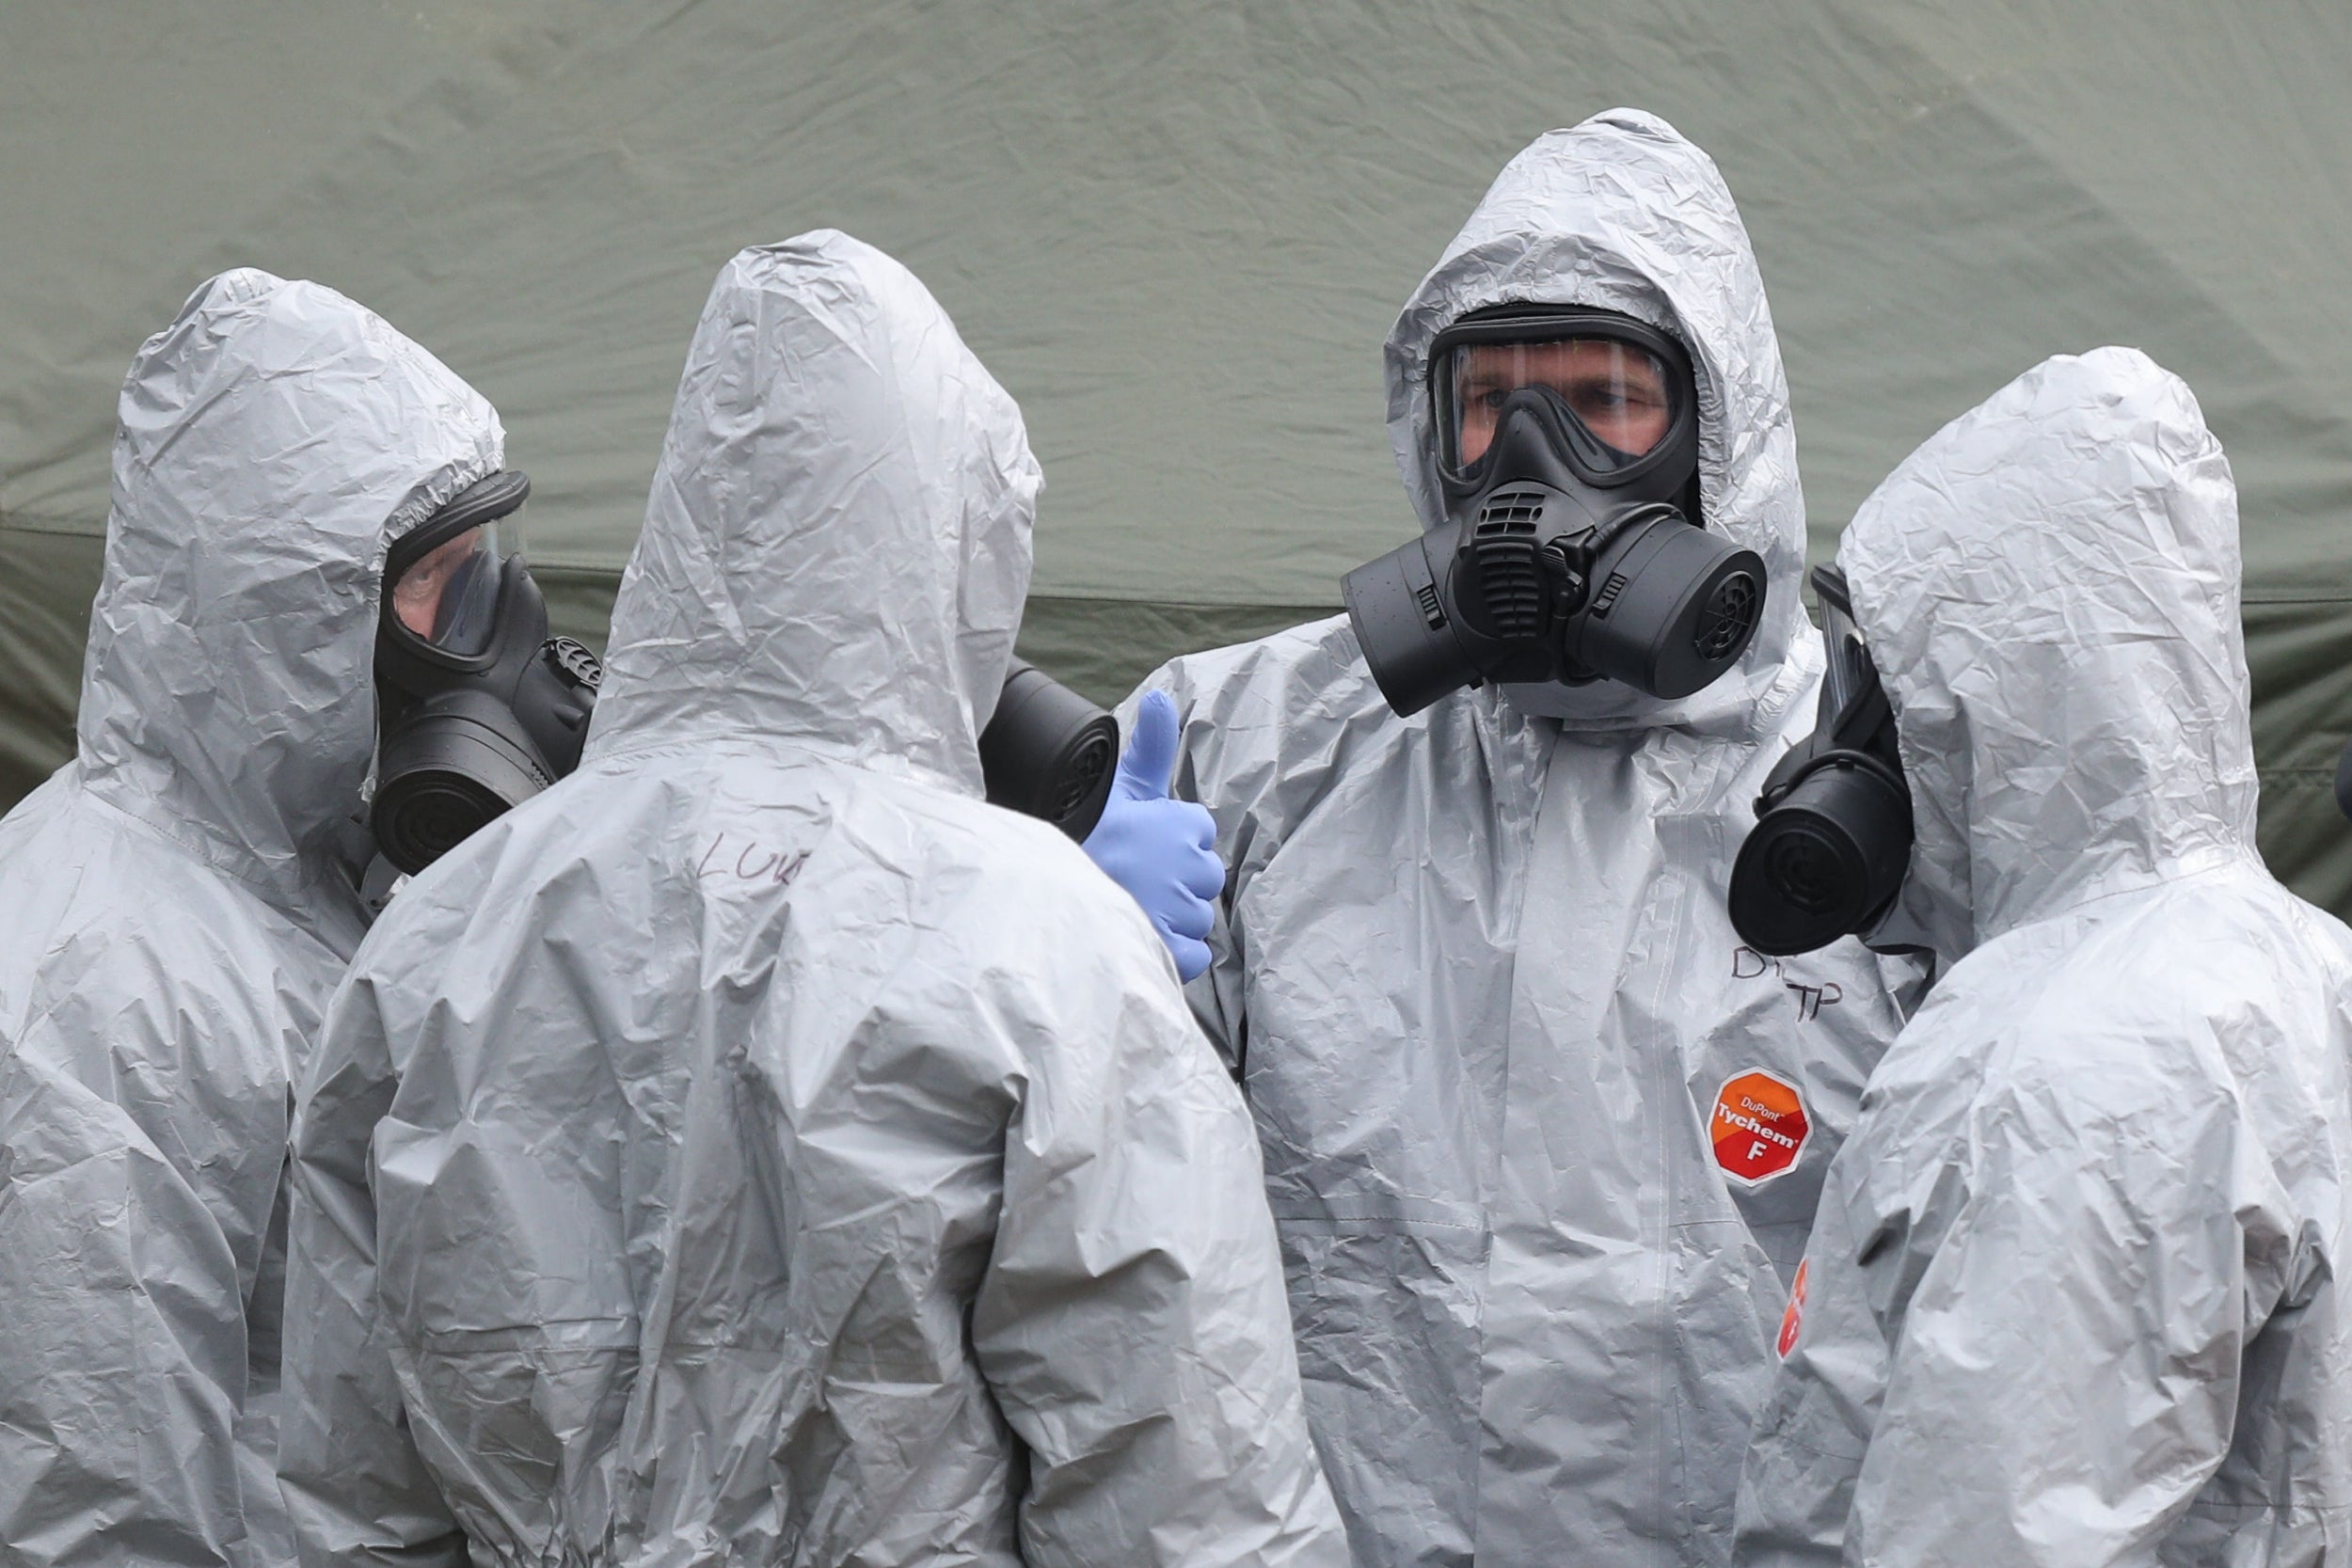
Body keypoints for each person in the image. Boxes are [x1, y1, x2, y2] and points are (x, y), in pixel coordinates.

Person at [278, 231, 1347, 1568]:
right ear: (959, 540)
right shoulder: (1044, 940)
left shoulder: (432, 935)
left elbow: (352, 1492)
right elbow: (1183, 1487)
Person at [1119, 108, 1919, 1565]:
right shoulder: (1253, 745)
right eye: (1488, 403)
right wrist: (1070, 943)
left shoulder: (1869, 783)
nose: (1529, 460)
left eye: (1608, 396)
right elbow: (1085, 1205)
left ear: (1717, 428)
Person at [1732, 348, 2352, 1567]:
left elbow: (1988, 1532)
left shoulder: (2078, 1058)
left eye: (1874, 674)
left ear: (1975, 681)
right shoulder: (2302, 964)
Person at [0, 269, 506, 1566]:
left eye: (473, 577)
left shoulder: (297, 877)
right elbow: (98, 1504)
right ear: (286, 600)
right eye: (432, 584)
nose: (473, 635)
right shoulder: (100, 982)